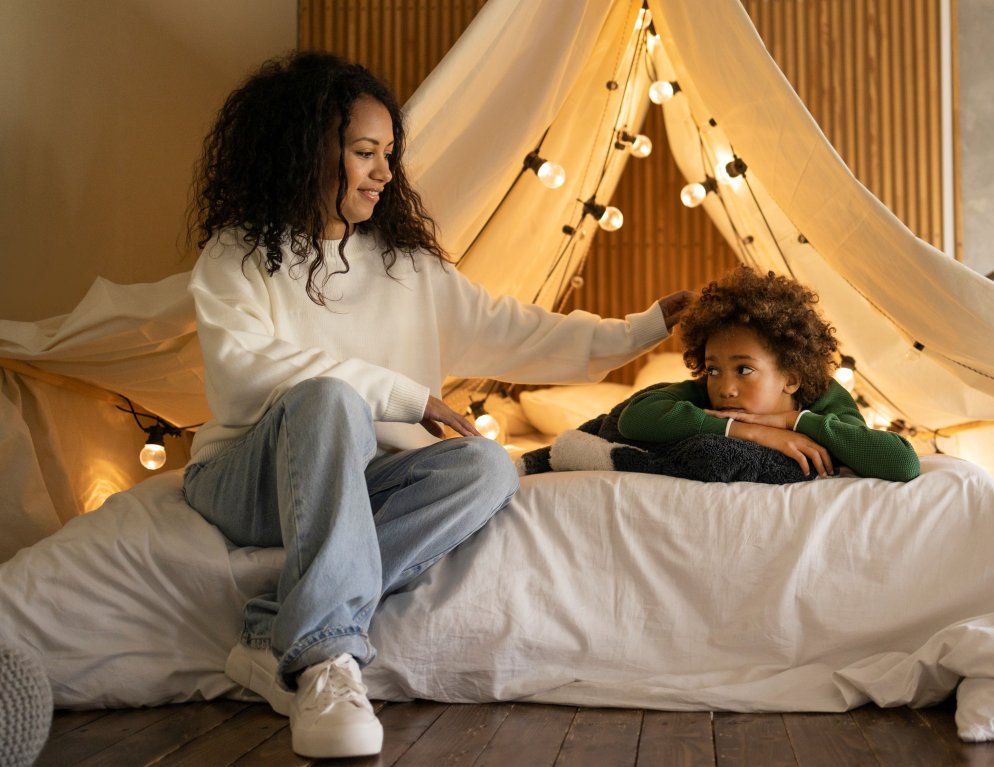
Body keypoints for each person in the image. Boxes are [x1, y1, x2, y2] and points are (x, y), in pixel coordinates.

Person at [182, 51, 692, 759]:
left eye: (389, 153)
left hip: (353, 481)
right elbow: (244, 376)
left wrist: (638, 331)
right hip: (248, 476)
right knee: (329, 400)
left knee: (485, 466)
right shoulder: (236, 256)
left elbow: (521, 331)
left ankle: (278, 626)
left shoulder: (406, 268)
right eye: (364, 152)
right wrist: (402, 394)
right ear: (303, 152)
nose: (385, 173)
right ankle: (327, 658)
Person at [617, 266, 920, 482]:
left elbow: (902, 463)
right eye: (713, 369)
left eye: (744, 369)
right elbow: (633, 418)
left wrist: (791, 421)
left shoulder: (824, 398)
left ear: (791, 378)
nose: (725, 388)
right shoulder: (704, 394)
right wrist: (751, 431)